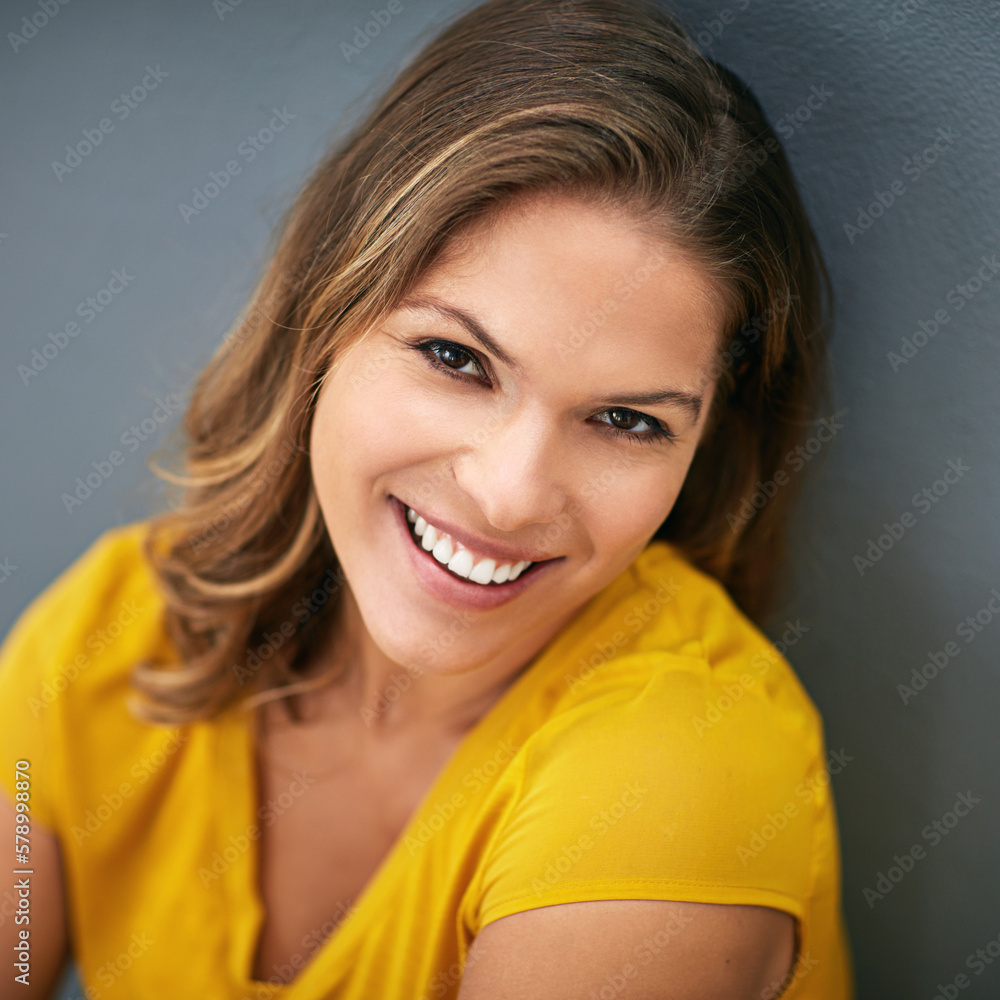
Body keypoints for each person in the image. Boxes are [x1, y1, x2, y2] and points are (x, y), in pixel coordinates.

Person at [0, 0, 855, 997]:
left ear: (701, 449)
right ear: (326, 313)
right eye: (456, 358)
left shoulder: (685, 770)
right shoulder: (118, 627)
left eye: (626, 420)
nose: (507, 493)